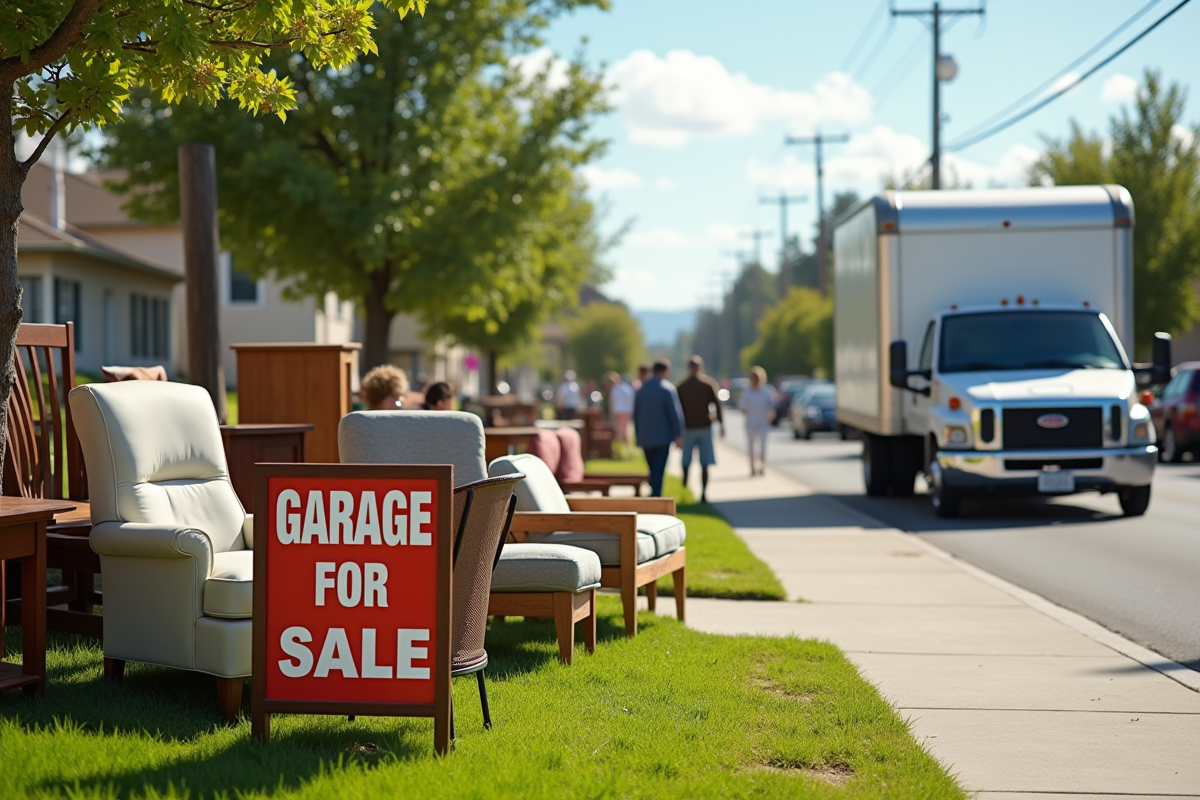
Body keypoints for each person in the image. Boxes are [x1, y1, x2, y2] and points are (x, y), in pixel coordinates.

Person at [675, 355, 724, 503]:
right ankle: (686, 489)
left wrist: (721, 423)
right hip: (691, 429)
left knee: (703, 463)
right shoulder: (684, 387)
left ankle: (702, 493)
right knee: (688, 462)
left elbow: (717, 405)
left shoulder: (703, 385)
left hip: (701, 428)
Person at [633, 358, 685, 497]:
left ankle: (654, 493)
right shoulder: (667, 389)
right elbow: (675, 414)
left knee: (652, 468)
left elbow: (636, 415)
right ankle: (656, 496)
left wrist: (638, 435)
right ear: (666, 371)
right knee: (659, 469)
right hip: (663, 437)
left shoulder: (642, 389)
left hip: (646, 437)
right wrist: (679, 435)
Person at [738, 366, 776, 476]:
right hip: (751, 423)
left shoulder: (766, 392)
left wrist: (770, 414)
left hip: (763, 423)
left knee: (762, 447)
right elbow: (742, 407)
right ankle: (752, 467)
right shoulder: (747, 392)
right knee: (751, 447)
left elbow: (771, 407)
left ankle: (762, 466)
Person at [606, 370, 636, 455]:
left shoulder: (615, 389)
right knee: (626, 431)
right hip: (627, 412)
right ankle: (627, 450)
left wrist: (611, 415)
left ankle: (619, 451)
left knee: (619, 432)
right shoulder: (627, 388)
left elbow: (612, 402)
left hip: (618, 412)